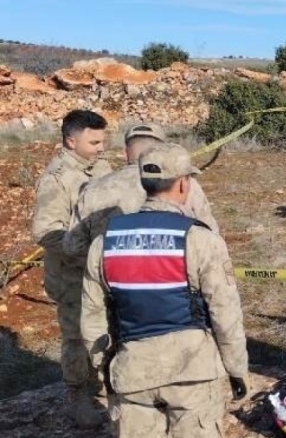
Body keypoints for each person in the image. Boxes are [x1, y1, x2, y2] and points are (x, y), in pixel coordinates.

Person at [81, 143, 249, 437]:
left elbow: (93, 317)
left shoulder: (104, 243)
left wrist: (105, 367)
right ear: (184, 184)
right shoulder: (199, 239)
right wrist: (237, 369)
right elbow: (225, 313)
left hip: (132, 372)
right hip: (192, 375)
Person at [31, 108, 112, 428]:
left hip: (103, 273)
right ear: (70, 140)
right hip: (71, 276)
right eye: (94, 142)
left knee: (106, 328)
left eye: (102, 140)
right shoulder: (56, 179)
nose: (101, 147)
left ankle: (104, 382)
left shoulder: (102, 167)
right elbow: (46, 231)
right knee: (76, 336)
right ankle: (78, 395)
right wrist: (86, 250)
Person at [64, 123, 219, 260]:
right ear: (163, 152)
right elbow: (211, 239)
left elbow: (73, 247)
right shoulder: (185, 185)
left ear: (125, 152)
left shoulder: (94, 188)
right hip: (174, 282)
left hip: (113, 284)